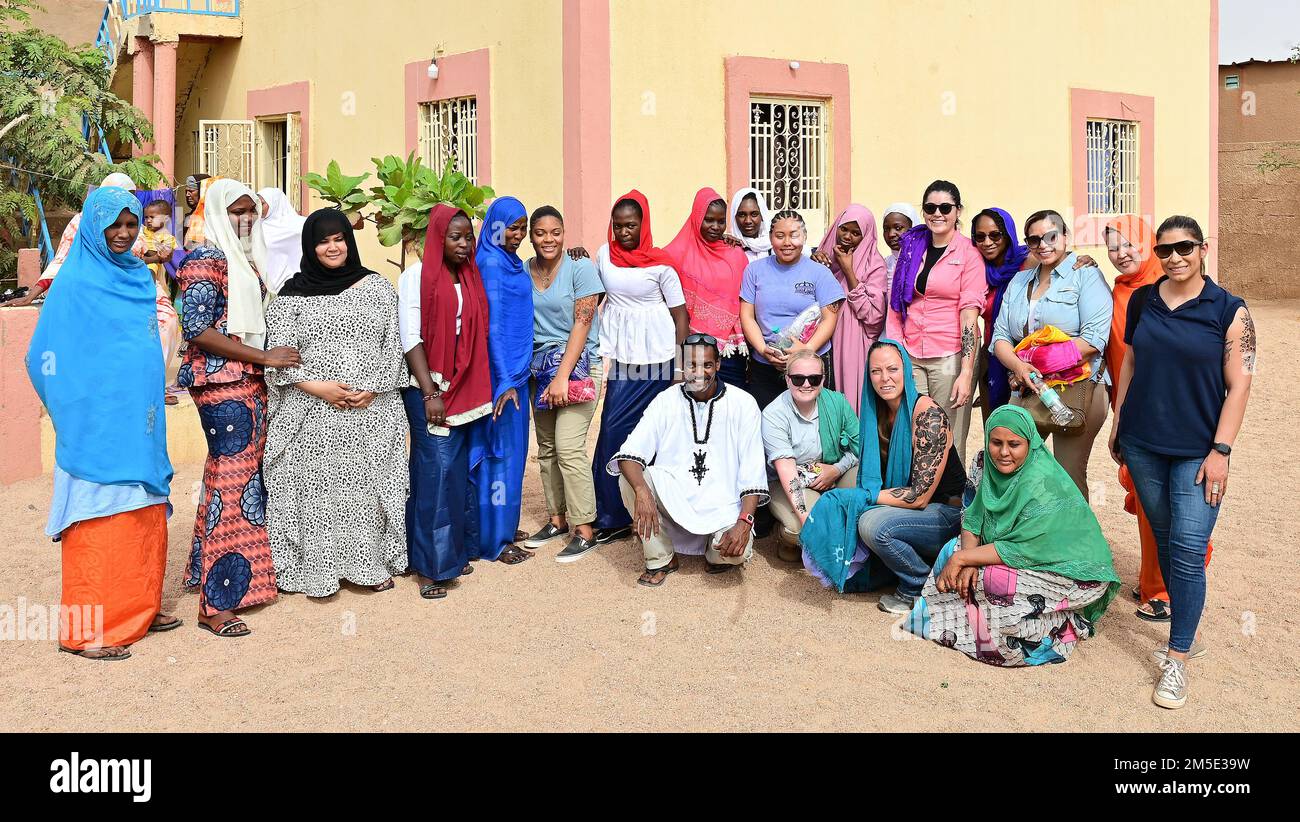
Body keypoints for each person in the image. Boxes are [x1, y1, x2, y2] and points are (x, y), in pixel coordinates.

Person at [26, 186, 178, 661]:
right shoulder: (74, 284)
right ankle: (87, 630)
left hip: (141, 422)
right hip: (96, 427)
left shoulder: (136, 276)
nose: (124, 233)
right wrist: (75, 408)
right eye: (114, 224)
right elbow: (42, 357)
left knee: (142, 511)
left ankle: (137, 608)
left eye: (131, 225)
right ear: (94, 226)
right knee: (99, 516)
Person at [1109, 215, 1255, 710]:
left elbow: (1239, 385)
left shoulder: (1230, 311)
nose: (1174, 257)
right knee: (1168, 541)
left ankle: (1177, 657)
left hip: (1199, 449)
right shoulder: (1146, 299)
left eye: (1184, 248)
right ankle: (1186, 626)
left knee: (1190, 547)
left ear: (1203, 248)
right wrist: (1119, 423)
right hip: (1145, 443)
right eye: (1165, 249)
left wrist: (1222, 452)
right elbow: (1130, 361)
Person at [263, 209, 409, 596]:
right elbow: (278, 357)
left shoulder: (377, 287)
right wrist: (319, 387)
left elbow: (393, 345)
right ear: (310, 247)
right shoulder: (288, 296)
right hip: (312, 411)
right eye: (322, 241)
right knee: (318, 492)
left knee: (364, 491)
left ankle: (367, 565)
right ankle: (319, 572)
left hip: (369, 410)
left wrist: (374, 387)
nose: (332, 247)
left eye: (338, 238)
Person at [905, 405, 1121, 666]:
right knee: (951, 550)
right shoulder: (983, 462)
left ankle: (1058, 628)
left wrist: (967, 559)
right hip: (1011, 550)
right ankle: (953, 627)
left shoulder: (1042, 482)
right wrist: (966, 557)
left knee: (995, 579)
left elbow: (1022, 548)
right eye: (996, 442)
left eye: (1014, 444)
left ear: (1029, 444)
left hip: (1072, 572)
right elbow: (972, 516)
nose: (1004, 452)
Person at [177, 178, 299, 636]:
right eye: (237, 212)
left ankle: (204, 574)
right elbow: (198, 329)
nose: (246, 219)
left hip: (244, 382)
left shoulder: (243, 258)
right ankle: (217, 605)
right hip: (221, 383)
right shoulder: (205, 258)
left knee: (227, 479)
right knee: (234, 481)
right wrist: (265, 358)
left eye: (251, 211)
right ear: (217, 214)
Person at [800, 340, 966, 613]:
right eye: (876, 371)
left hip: (945, 515)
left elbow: (918, 496)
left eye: (892, 369)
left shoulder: (928, 415)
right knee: (849, 516)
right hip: (905, 511)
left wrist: (861, 497)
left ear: (907, 371)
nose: (884, 378)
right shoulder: (874, 412)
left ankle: (918, 586)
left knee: (870, 523)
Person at [1104, 215, 1212, 622]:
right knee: (1151, 505)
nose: (1122, 254)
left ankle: (1166, 589)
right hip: (1133, 415)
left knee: (1176, 508)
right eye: (1114, 247)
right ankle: (1156, 580)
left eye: (1130, 243)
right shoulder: (1120, 292)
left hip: (1178, 421)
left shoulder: (1174, 292)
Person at [610, 335, 768, 587]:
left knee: (733, 556)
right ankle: (661, 556)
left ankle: (713, 550)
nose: (698, 373)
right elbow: (630, 453)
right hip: (674, 501)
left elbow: (753, 470)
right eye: (691, 365)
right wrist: (642, 490)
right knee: (629, 477)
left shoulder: (743, 404)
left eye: (706, 365)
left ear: (717, 364)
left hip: (723, 508)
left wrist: (744, 522)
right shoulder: (666, 400)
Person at [398, 204, 492, 599]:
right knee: (434, 470)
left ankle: (453, 551)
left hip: (462, 388)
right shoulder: (416, 277)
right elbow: (410, 337)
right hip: (430, 387)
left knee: (454, 471)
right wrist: (430, 393)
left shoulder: (469, 276)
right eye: (455, 237)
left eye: (468, 237)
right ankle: (431, 567)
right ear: (437, 237)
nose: (464, 244)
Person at [589, 190, 690, 545]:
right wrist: (576, 258)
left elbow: (681, 317)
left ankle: (663, 511)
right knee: (613, 428)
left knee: (660, 435)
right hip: (625, 360)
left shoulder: (661, 264)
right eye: (618, 226)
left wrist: (681, 366)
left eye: (631, 225)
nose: (624, 232)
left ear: (643, 223)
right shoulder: (604, 256)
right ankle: (610, 514)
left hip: (659, 359)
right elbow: (591, 290)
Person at [989, 209, 1112, 499]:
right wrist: (1019, 368)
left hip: (1078, 386)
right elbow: (1000, 337)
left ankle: (1077, 542)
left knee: (1066, 473)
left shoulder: (1085, 275)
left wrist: (1035, 363)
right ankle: (1023, 538)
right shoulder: (1019, 283)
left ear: (1065, 236)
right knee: (1011, 467)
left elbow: (1094, 339)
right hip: (1027, 385)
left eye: (1050, 236)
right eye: (1034, 240)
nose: (1043, 244)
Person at [520, 206, 606, 562]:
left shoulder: (580, 268)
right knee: (548, 449)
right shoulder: (524, 270)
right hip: (539, 371)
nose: (548, 240)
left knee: (569, 447)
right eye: (540, 233)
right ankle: (557, 519)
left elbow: (582, 323)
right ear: (530, 235)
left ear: (564, 232)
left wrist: (561, 377)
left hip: (580, 369)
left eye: (555, 232)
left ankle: (585, 529)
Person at [886, 180, 985, 465]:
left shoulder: (968, 254)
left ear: (958, 211)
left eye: (945, 207)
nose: (937, 213)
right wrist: (897, 350)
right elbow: (897, 304)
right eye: (930, 207)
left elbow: (969, 315)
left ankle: (953, 501)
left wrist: (966, 372)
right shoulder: (911, 248)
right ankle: (921, 499)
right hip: (911, 352)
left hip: (950, 356)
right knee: (915, 428)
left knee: (949, 432)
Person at [471, 195, 535, 565]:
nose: (519, 235)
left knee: (513, 455)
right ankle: (493, 541)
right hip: (503, 380)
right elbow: (492, 328)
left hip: (517, 374)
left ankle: (504, 526)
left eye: (522, 227)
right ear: (495, 226)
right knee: (499, 456)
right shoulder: (491, 265)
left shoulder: (509, 263)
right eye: (513, 227)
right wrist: (504, 380)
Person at [738, 209, 845, 410]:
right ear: (770, 237)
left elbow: (829, 318)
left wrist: (806, 350)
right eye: (780, 236)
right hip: (766, 365)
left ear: (804, 237)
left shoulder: (820, 273)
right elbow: (747, 316)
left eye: (794, 235)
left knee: (813, 426)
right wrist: (763, 349)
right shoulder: (754, 271)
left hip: (811, 365)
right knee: (767, 426)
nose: (787, 242)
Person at [761, 349, 859, 561]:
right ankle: (789, 540)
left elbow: (860, 447)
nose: (806, 385)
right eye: (798, 379)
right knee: (800, 527)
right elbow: (786, 470)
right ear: (787, 380)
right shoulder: (774, 414)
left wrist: (836, 469)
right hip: (792, 480)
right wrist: (807, 521)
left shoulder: (838, 402)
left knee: (863, 482)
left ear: (823, 380)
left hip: (832, 471)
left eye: (813, 379)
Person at [2, 173, 142, 308]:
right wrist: (31, 295)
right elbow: (62, 260)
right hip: (89, 297)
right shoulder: (83, 222)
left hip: (128, 294)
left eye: (131, 195)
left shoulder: (135, 225)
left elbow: (140, 259)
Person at [667, 186, 751, 388]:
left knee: (731, 406)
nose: (715, 226)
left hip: (730, 351)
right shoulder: (677, 254)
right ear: (697, 218)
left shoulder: (736, 254)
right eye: (709, 220)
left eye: (721, 221)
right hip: (694, 350)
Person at [811, 204, 888, 413]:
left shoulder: (874, 266)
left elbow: (873, 317)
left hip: (852, 346)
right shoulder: (821, 258)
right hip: (820, 344)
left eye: (856, 233)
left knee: (851, 409)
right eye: (844, 229)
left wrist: (849, 271)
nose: (847, 237)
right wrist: (813, 265)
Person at [971, 207, 1030, 418]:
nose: (987, 242)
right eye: (980, 236)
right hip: (991, 356)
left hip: (1023, 355)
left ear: (1008, 234)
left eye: (995, 235)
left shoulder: (1028, 262)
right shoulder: (978, 269)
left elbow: (1060, 259)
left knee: (1022, 428)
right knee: (994, 422)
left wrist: (1083, 260)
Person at [254, 187, 307, 294]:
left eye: (262, 204)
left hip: (296, 281)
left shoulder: (299, 225)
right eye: (256, 204)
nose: (258, 208)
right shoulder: (256, 226)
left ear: (275, 203)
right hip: (267, 282)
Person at [880, 203, 920, 295]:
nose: (891, 234)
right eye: (886, 229)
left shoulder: (923, 261)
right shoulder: (884, 264)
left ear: (913, 228)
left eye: (898, 228)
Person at [726, 187, 773, 262]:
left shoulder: (774, 247)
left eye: (754, 214)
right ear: (734, 217)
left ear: (762, 216)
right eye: (742, 215)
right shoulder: (728, 245)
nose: (748, 221)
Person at [182, 174, 214, 251]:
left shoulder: (211, 216)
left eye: (191, 191)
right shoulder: (189, 216)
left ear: (201, 192)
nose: (187, 194)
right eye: (186, 191)